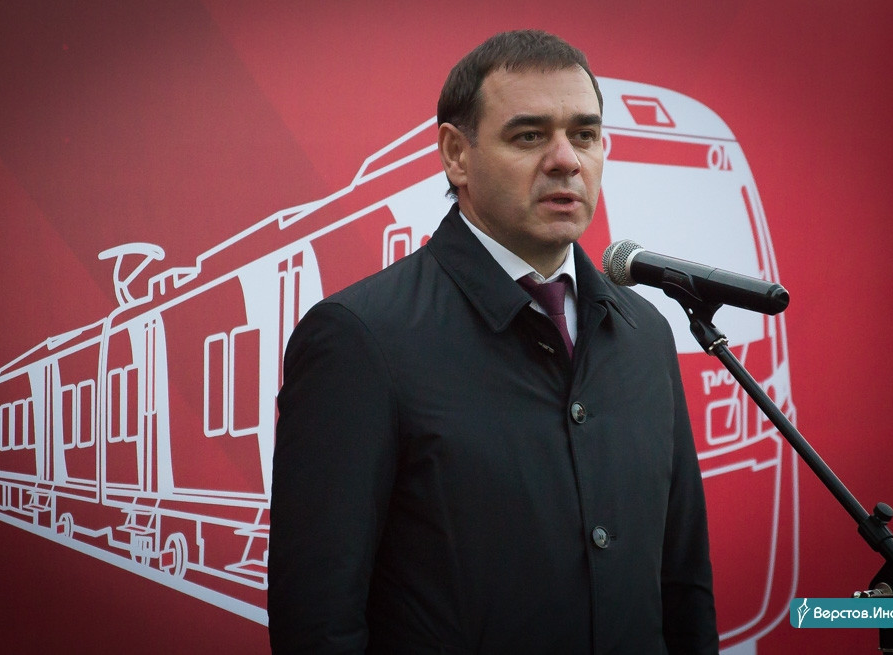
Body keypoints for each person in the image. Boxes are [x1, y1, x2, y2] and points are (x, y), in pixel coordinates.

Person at [269, 30, 718, 654]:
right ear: (456, 155)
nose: (566, 160)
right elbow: (318, 621)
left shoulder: (645, 332)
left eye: (584, 135)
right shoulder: (359, 338)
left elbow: (683, 581)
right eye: (529, 136)